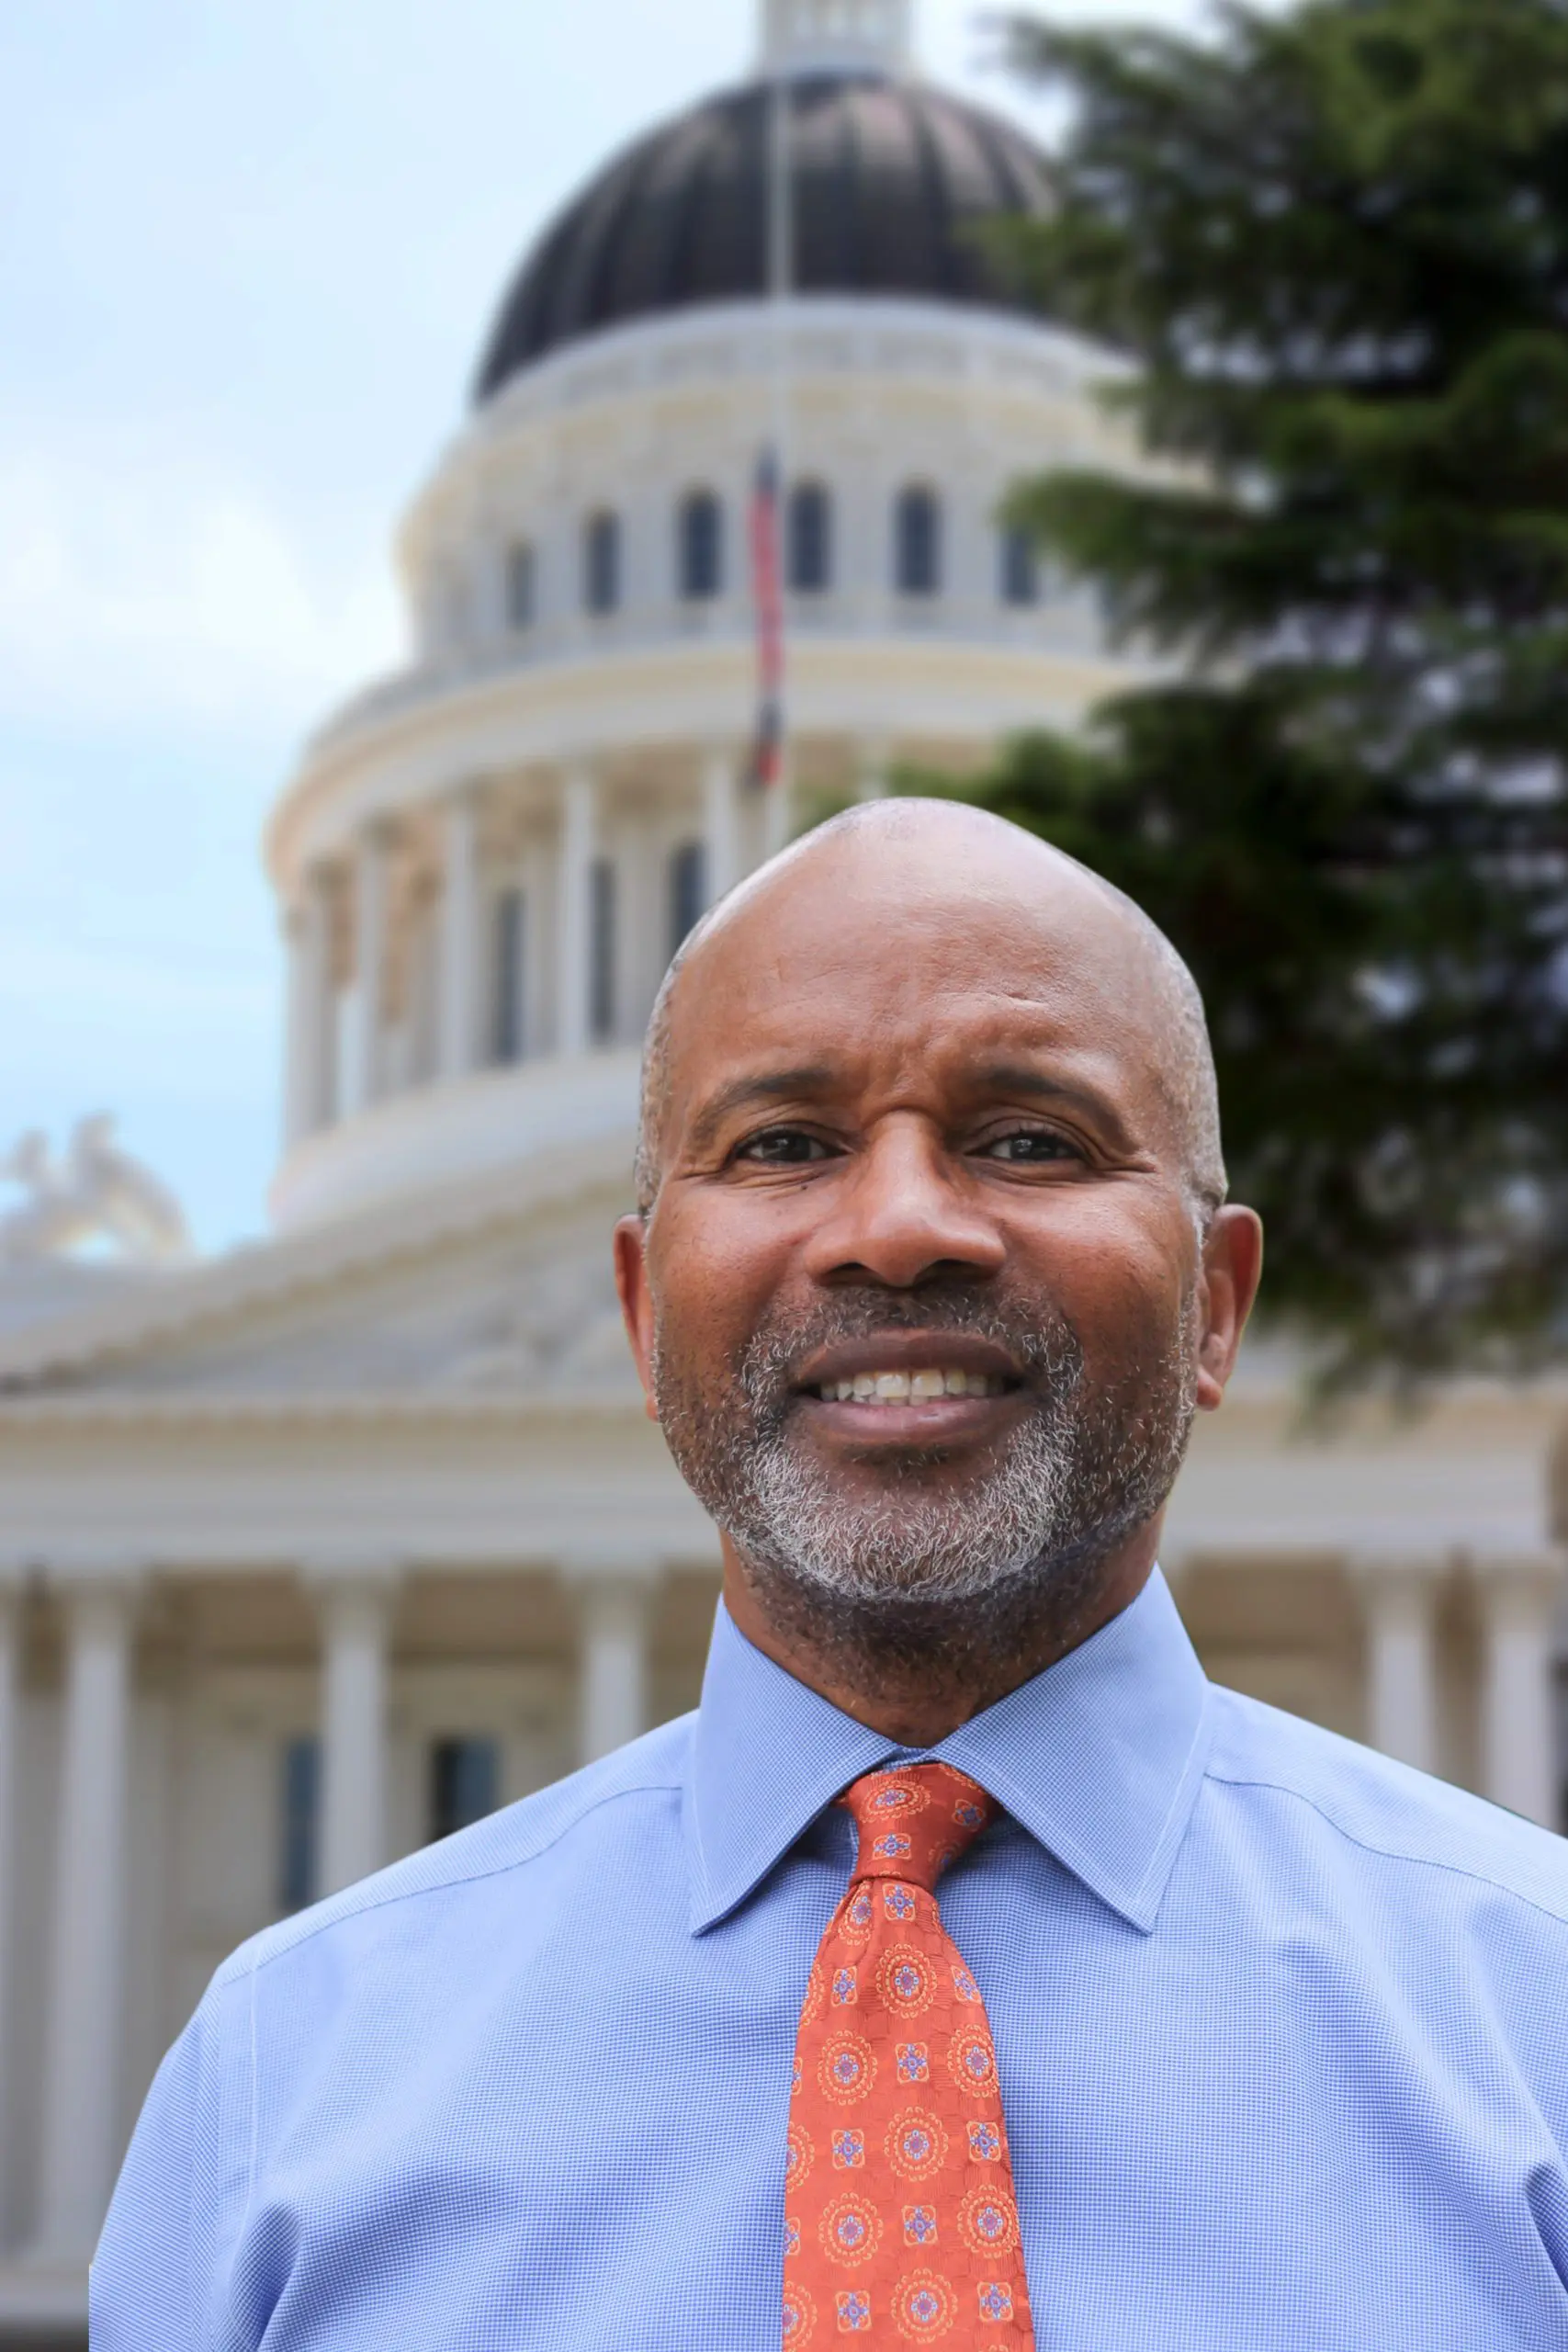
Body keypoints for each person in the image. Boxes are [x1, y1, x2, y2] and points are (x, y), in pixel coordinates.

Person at [95, 802, 1568, 2349]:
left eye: (1026, 1139)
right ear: (642, 1316)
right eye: (784, 1144)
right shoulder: (286, 2078)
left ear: (1214, 1303)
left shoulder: (1532, 2023)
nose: (901, 1227)